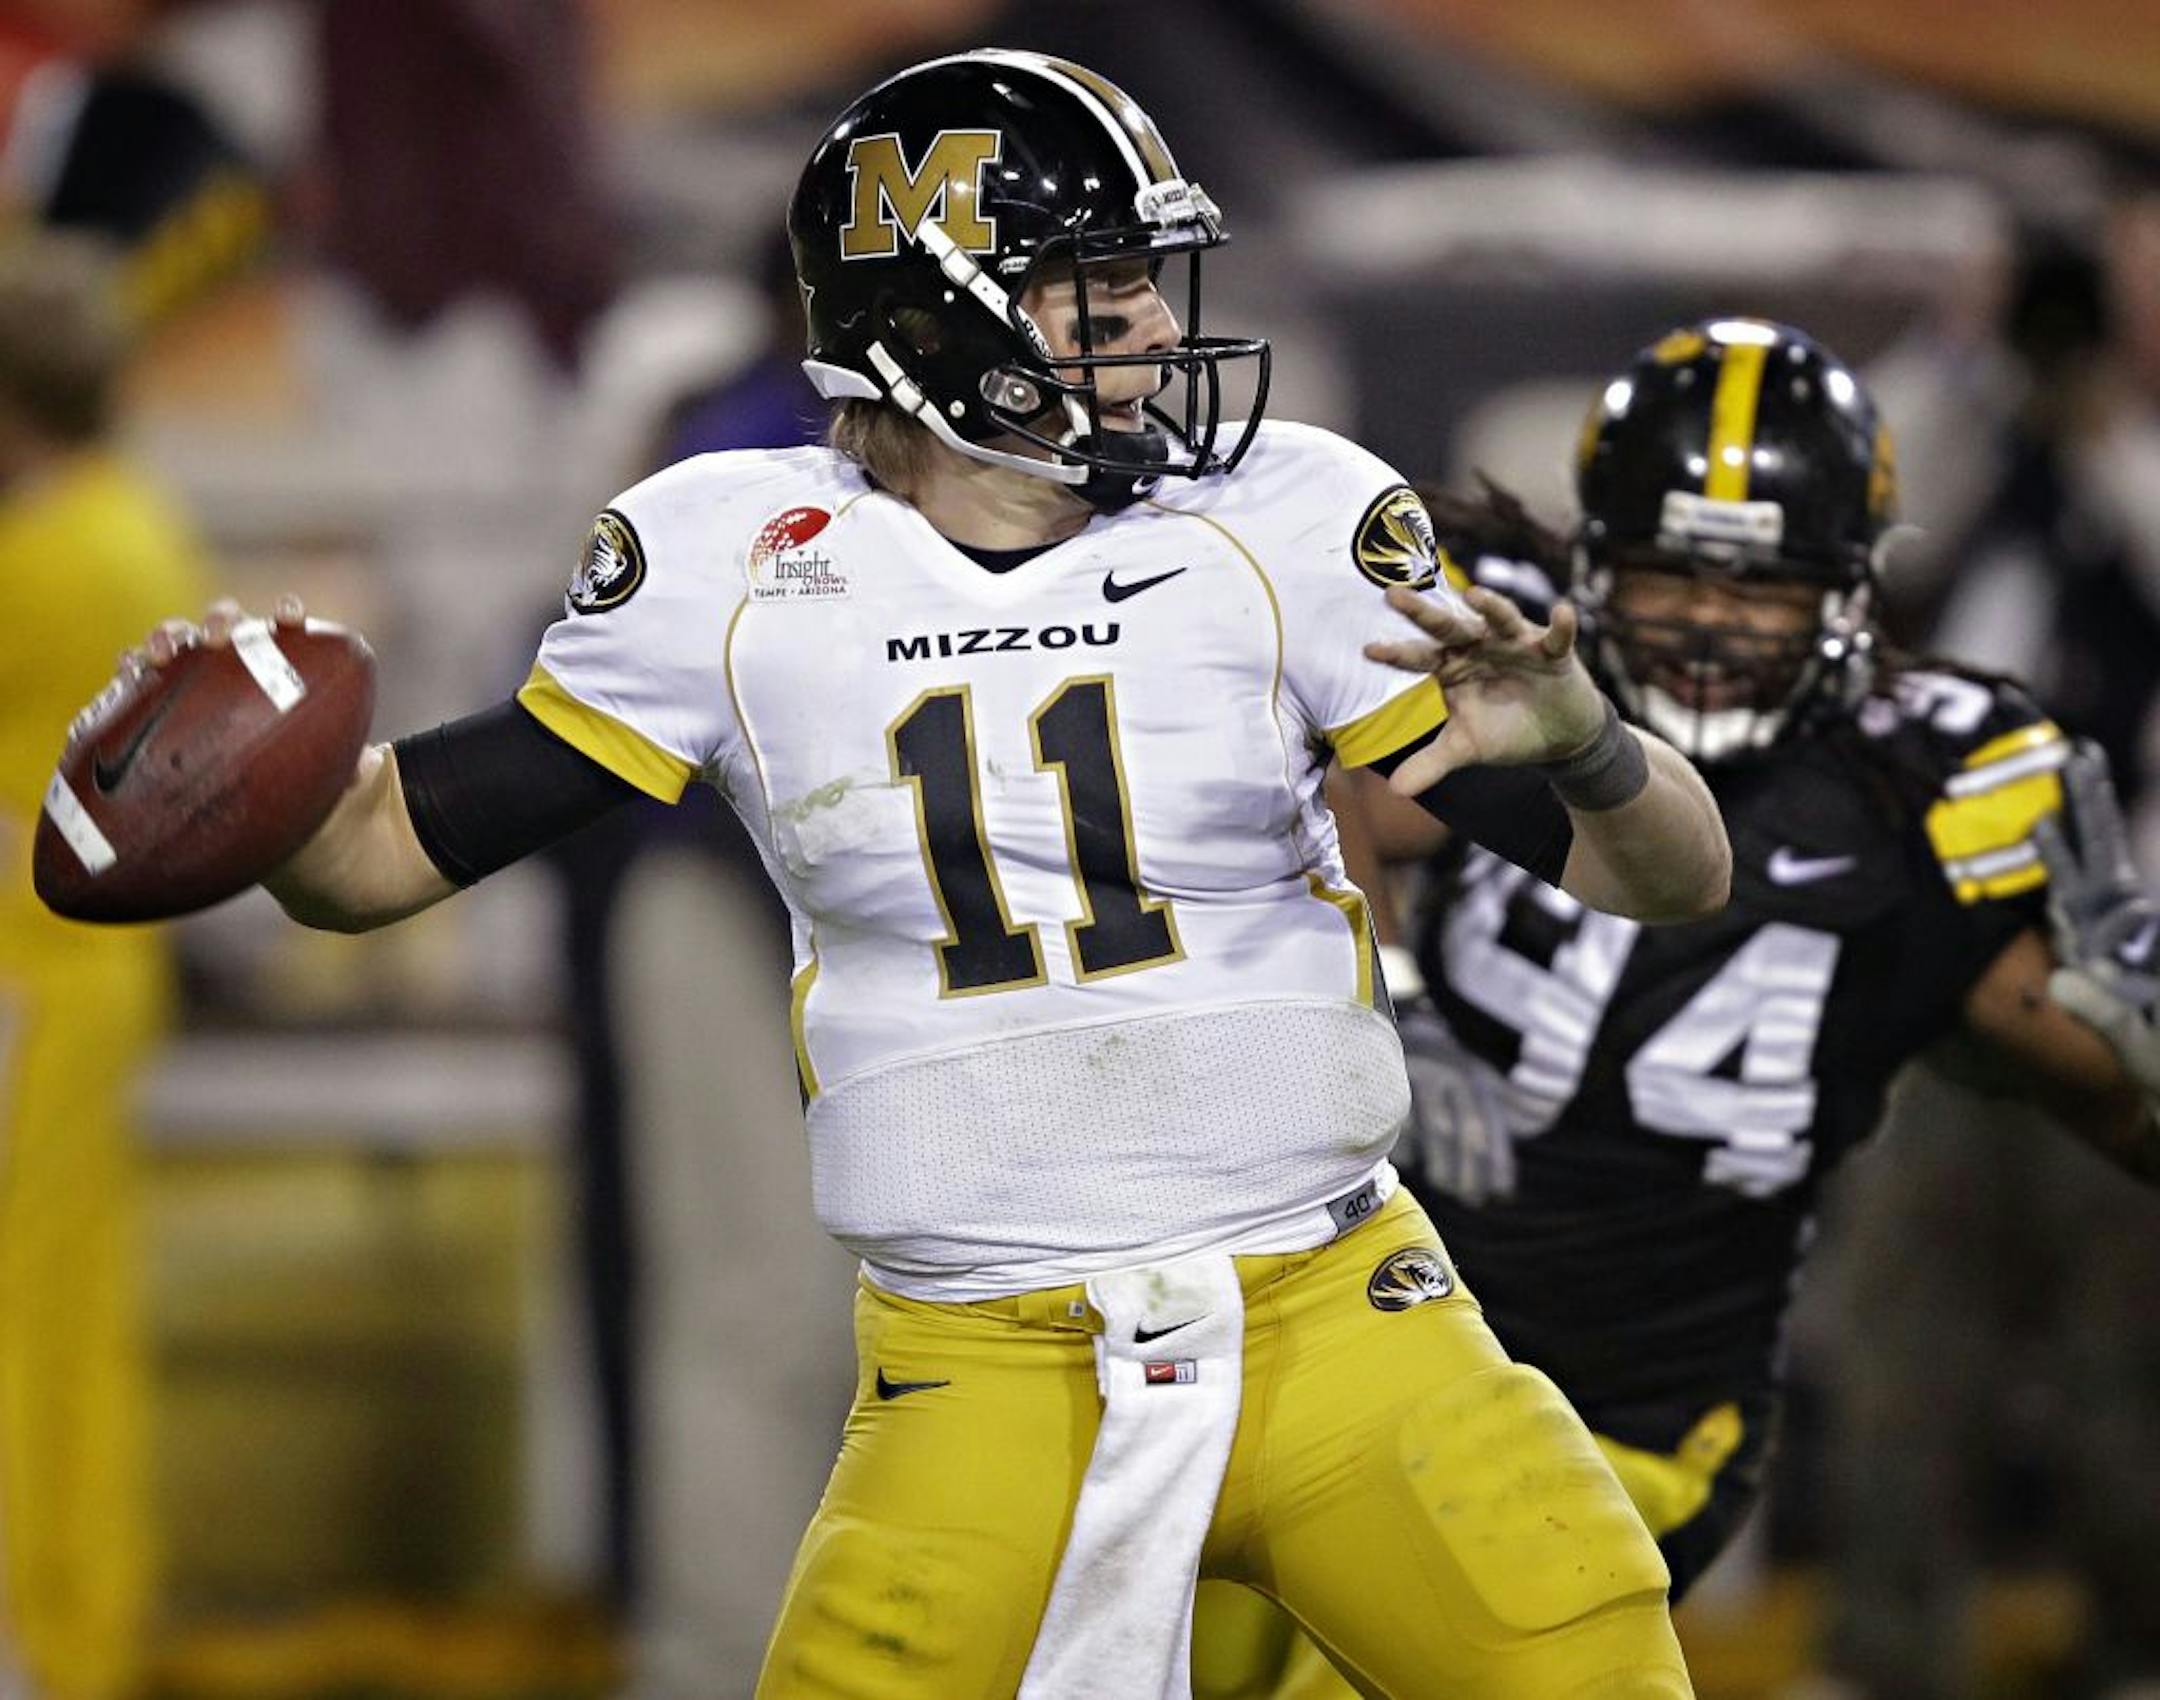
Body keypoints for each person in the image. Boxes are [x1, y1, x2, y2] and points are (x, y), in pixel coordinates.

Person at [105, 53, 1734, 1698]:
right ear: (940, 323)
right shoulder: (730, 560)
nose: (1158, 331)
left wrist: (1592, 745)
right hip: (986, 1363)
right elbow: (379, 860)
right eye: (1097, 291)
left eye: (1146, 281)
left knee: (1594, 1662)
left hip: (1343, 1318)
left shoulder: (1288, 517)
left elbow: (1670, 878)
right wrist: (249, 779)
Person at [1222, 317, 2160, 1700]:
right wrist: (1393, 1002)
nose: (1712, 624)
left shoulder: (1942, 787)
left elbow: (2095, 1062)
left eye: (1762, 589)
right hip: (1353, 1335)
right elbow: (1313, 789)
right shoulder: (1501, 653)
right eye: (1670, 575)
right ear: (1595, 562)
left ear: (1850, 592)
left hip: (1626, 1404)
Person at [0, 232, 213, 1698]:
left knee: (35, 1331)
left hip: (31, 980)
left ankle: (46, 1633)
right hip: (89, 980)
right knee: (71, 1322)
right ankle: (76, 1633)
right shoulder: (132, 522)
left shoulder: (48, 556)